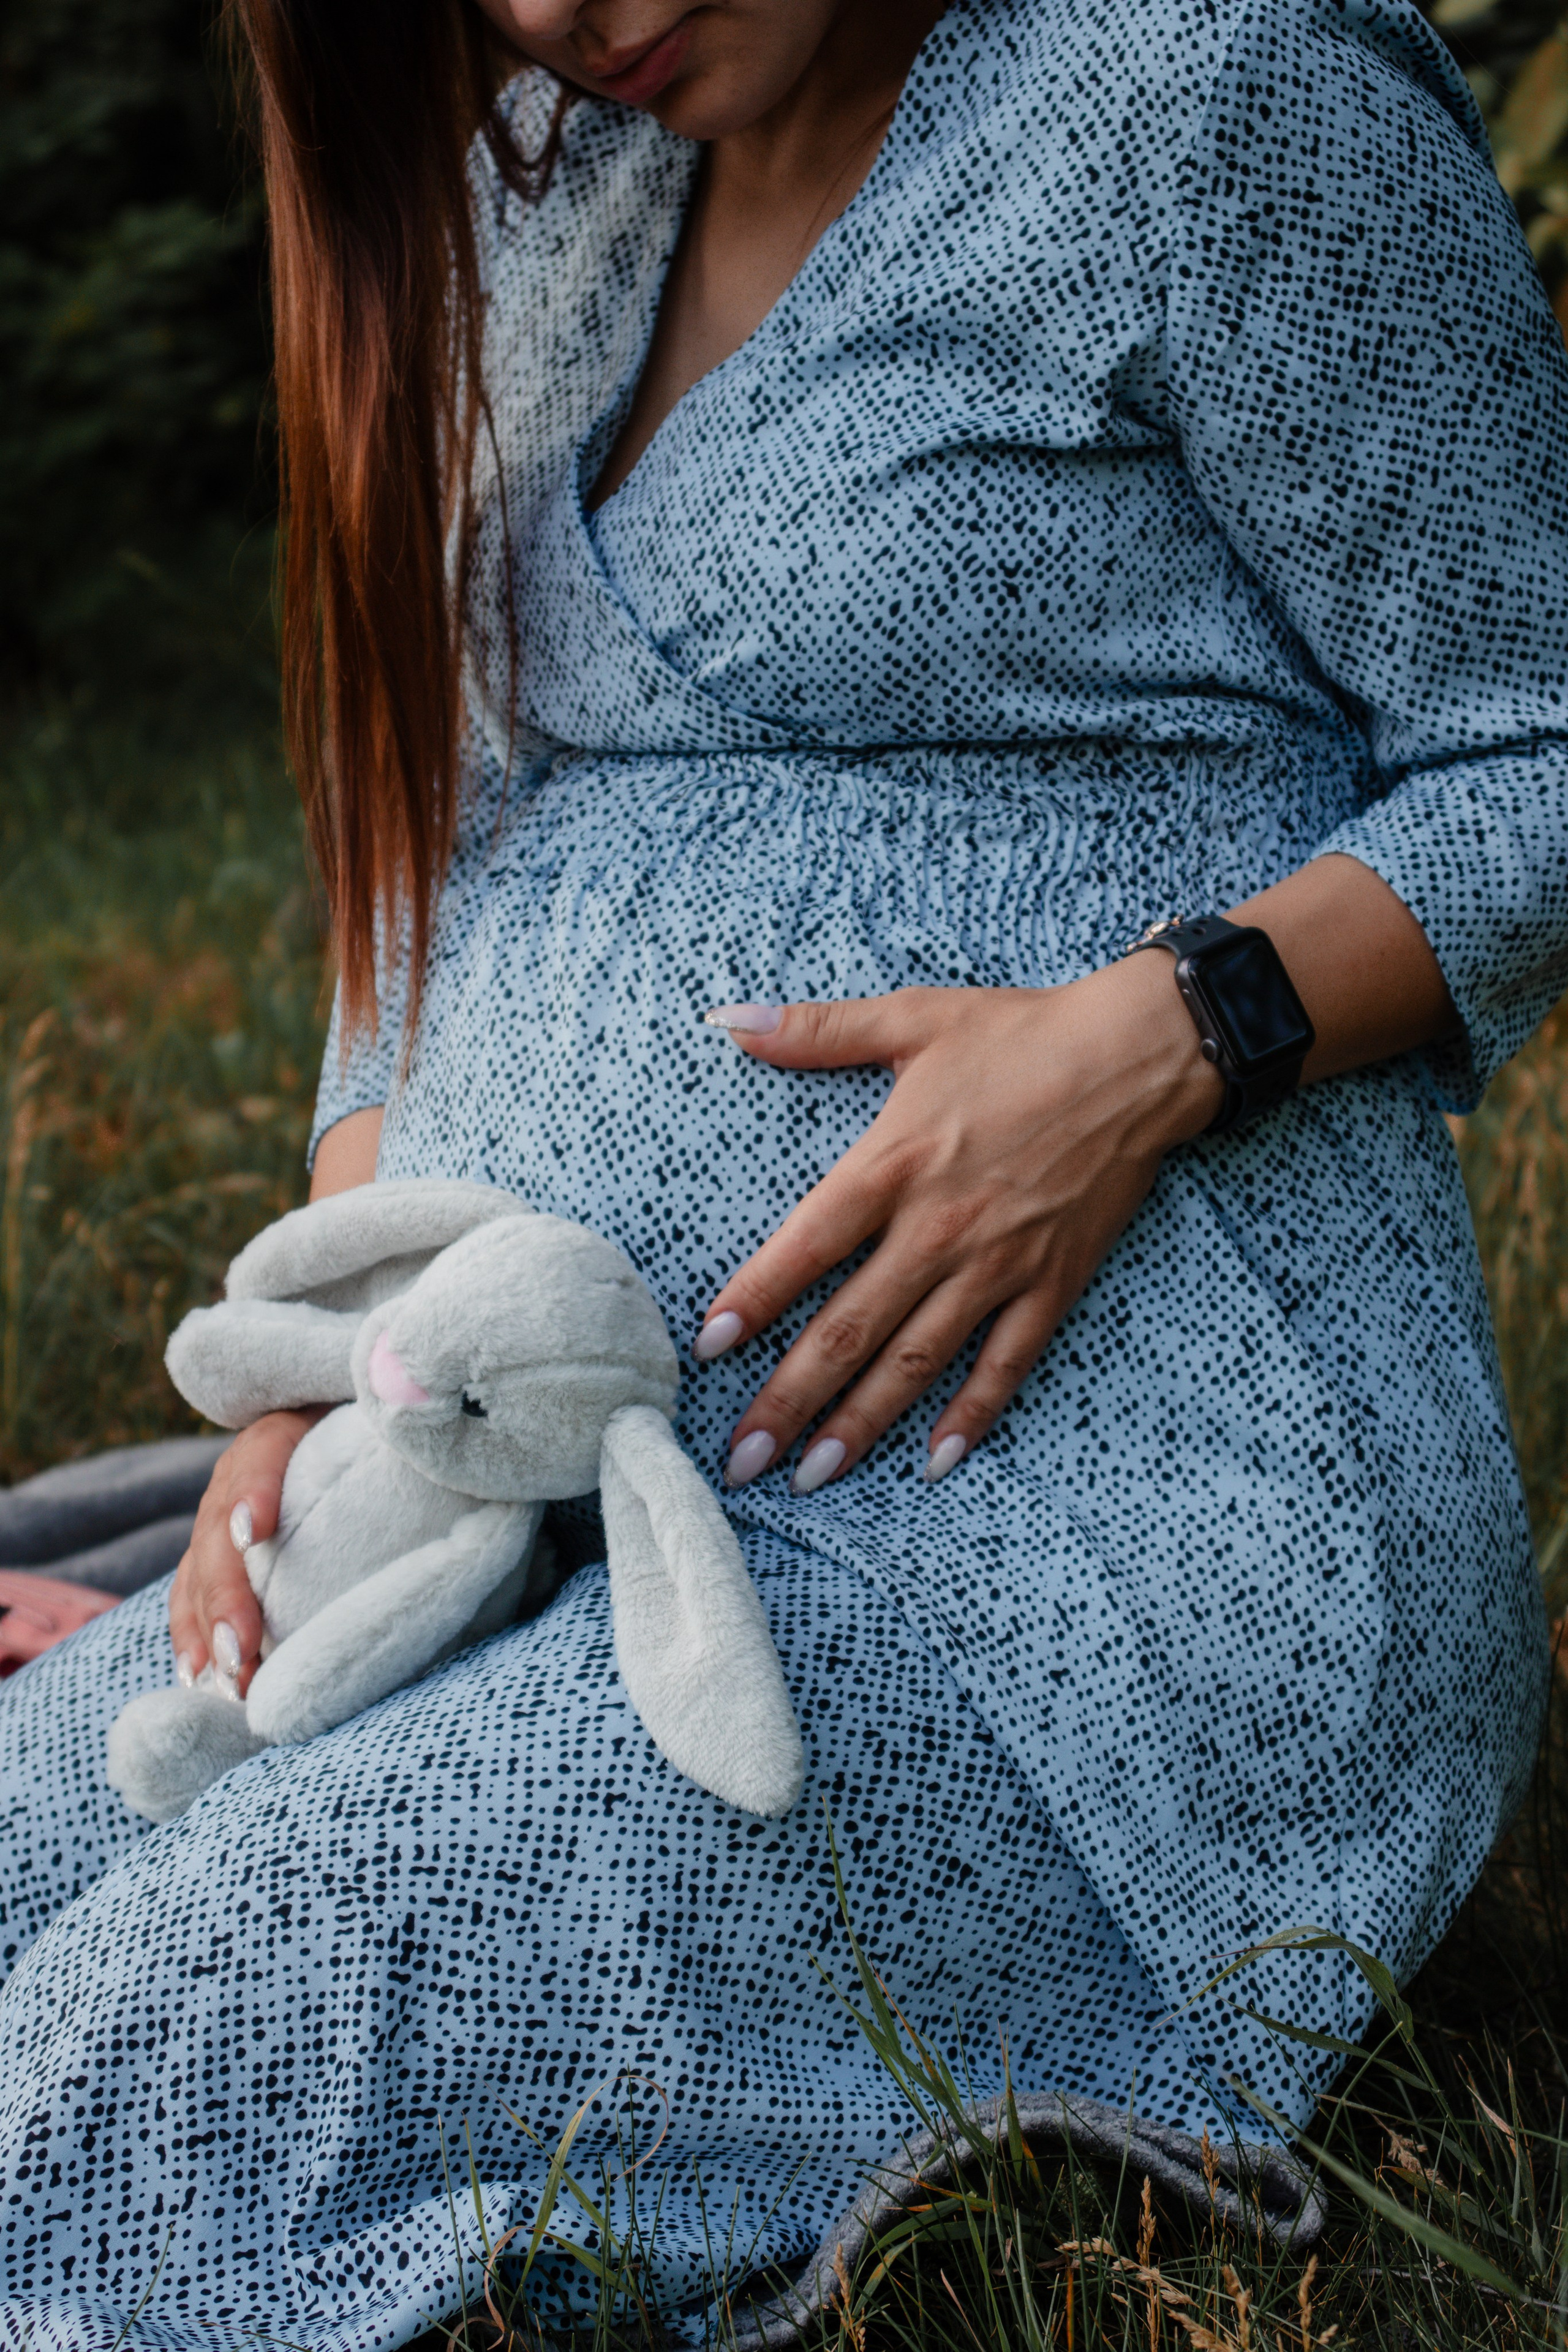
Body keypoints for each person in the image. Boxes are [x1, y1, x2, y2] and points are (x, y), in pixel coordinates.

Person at [1, 0, 1564, 2339]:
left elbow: (1535, 728)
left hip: (1075, 1545)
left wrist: (1159, 1039)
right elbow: (445, 870)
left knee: (175, 2053)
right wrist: (338, 1360)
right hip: (518, 1468)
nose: (554, 12)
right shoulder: (555, 199)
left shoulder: (1212, 92)